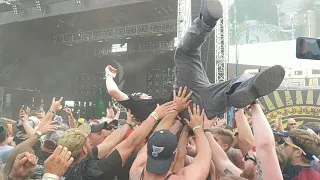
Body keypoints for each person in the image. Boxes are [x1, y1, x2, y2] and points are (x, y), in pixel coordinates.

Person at [105, 0, 285, 123]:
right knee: (185, 54)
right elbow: (114, 91)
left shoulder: (146, 108)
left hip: (194, 102)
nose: (144, 95)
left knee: (222, 89)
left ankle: (246, 87)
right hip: (187, 107)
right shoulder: (138, 107)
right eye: (140, 95)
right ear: (136, 102)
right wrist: (108, 75)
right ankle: (205, 23)